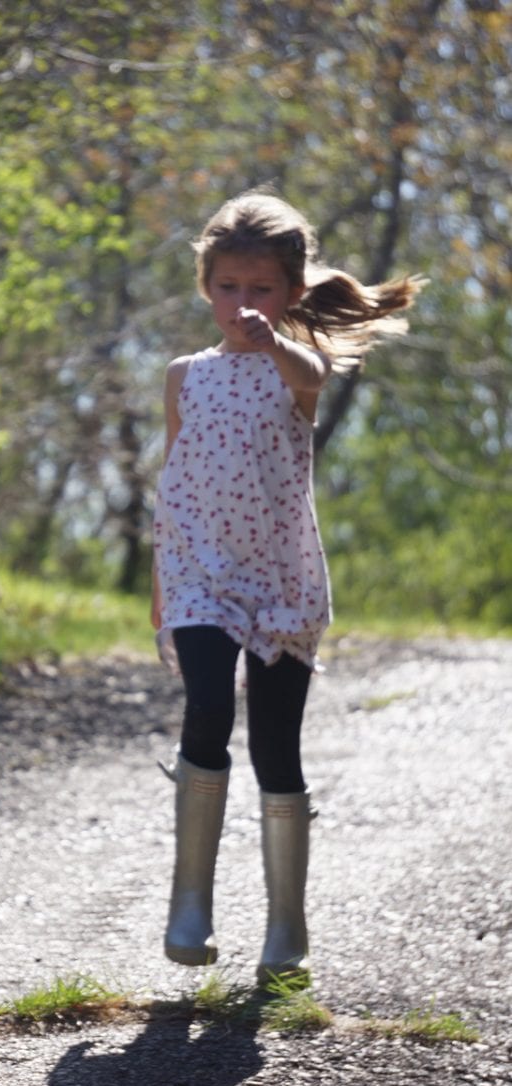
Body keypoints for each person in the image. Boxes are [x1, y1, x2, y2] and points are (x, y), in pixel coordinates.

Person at [151, 188, 424, 984]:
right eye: (228, 288)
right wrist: (160, 596)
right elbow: (172, 484)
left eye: (261, 288)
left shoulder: (294, 371)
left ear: (292, 293)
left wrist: (277, 341)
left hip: (281, 583)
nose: (243, 304)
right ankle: (189, 902)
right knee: (205, 706)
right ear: (206, 288)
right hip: (200, 577)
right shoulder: (182, 376)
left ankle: (285, 929)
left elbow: (310, 370)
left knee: (276, 747)